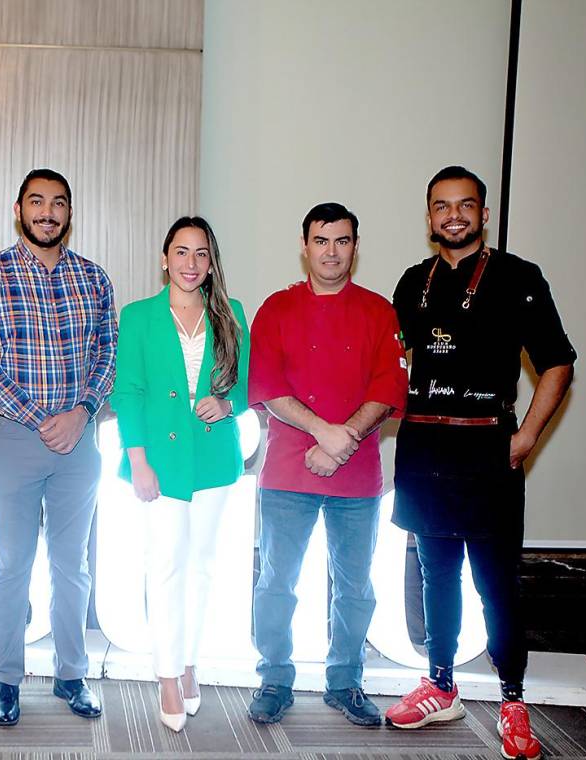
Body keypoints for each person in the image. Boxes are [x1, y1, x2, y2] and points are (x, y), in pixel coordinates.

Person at [385, 167, 575, 760]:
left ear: (484, 215)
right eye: (442, 207)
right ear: (430, 218)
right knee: (436, 575)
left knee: (497, 582)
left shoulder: (519, 277)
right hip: (425, 449)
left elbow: (558, 364)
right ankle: (441, 685)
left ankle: (513, 699)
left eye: (466, 205)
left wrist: (526, 438)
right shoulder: (414, 282)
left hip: (489, 450)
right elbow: (389, 362)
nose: (455, 216)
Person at [0, 168, 116, 727]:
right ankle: (5, 679)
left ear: (69, 213)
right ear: (18, 209)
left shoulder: (94, 279)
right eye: (37, 202)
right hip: (13, 439)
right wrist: (41, 419)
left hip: (79, 441)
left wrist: (80, 414)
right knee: (12, 564)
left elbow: (107, 355)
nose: (47, 212)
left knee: (72, 565)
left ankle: (71, 674)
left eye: (58, 204)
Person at [246, 203, 408, 728]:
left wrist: (346, 438)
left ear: (355, 248)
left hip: (357, 476)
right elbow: (268, 386)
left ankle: (345, 681)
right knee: (276, 580)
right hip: (288, 469)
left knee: (355, 584)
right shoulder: (276, 308)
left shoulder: (380, 312)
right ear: (305, 245)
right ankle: (274, 677)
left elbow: (389, 386)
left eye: (342, 241)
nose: (331, 251)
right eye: (322, 240)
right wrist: (324, 432)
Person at [110, 216, 250, 732]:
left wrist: (226, 402)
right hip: (161, 465)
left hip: (213, 459)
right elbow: (128, 392)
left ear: (211, 264)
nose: (191, 264)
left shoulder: (231, 313)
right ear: (164, 258)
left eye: (201, 254)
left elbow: (245, 385)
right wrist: (138, 460)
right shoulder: (139, 316)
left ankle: (191, 661)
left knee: (203, 567)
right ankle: (167, 674)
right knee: (166, 566)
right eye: (181, 252)